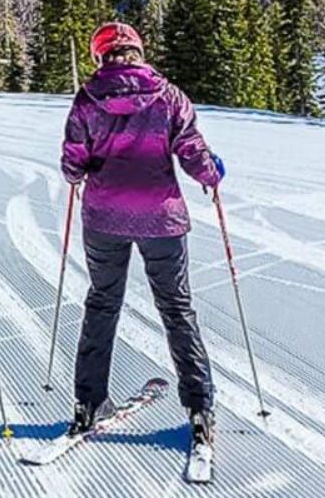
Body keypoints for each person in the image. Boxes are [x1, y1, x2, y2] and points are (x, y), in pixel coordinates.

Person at [60, 22, 222, 455]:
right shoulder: (168, 96)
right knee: (176, 307)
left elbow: (73, 159)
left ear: (101, 56)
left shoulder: (87, 99)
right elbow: (190, 148)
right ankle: (200, 410)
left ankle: (88, 402)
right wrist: (211, 174)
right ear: (137, 51)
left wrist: (77, 174)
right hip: (161, 219)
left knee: (102, 303)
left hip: (104, 218)